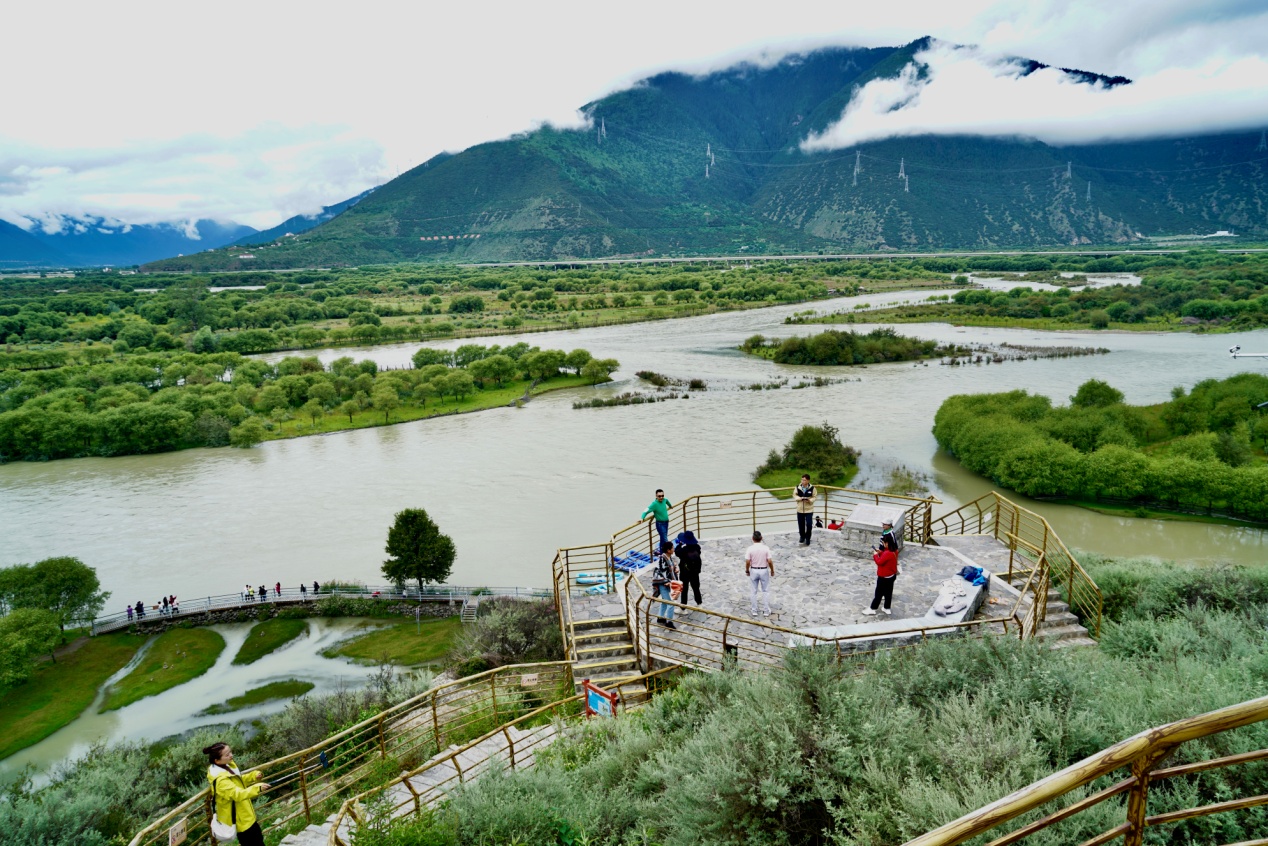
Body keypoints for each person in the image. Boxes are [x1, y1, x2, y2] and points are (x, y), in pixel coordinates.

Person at [205, 741, 270, 846]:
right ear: (217, 760)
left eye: (230, 752)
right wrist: (257, 788)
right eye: (227, 754)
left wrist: (253, 776)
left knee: (258, 840)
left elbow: (237, 781)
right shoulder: (220, 780)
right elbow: (237, 794)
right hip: (241, 820)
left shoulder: (226, 766)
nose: (231, 755)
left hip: (246, 814)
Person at [863, 539, 899, 616]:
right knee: (888, 593)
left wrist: (875, 554)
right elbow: (887, 558)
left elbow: (879, 562)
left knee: (878, 594)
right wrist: (881, 552)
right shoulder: (894, 551)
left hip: (883, 577)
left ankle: (872, 608)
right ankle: (887, 608)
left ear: (887, 543)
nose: (883, 544)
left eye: (884, 543)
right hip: (892, 575)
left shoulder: (887, 553)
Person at [650, 540, 679, 629]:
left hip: (667, 582)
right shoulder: (663, 559)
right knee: (670, 603)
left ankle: (660, 617)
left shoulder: (668, 557)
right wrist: (666, 581)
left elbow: (670, 567)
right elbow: (662, 572)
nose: (674, 549)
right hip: (664, 584)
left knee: (664, 601)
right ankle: (669, 621)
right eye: (672, 548)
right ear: (668, 550)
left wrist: (675, 568)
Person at [745, 530, 774, 617]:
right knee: (765, 591)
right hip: (764, 570)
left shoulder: (750, 549)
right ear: (761, 538)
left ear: (752, 539)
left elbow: (747, 561)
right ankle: (766, 610)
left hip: (754, 570)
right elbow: (769, 561)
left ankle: (754, 610)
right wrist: (772, 570)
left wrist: (747, 570)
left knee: (753, 591)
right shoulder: (766, 548)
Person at [674, 530, 703, 606]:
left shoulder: (683, 550)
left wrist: (679, 544)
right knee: (696, 588)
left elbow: (677, 552)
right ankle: (699, 603)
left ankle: (683, 607)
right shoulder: (697, 548)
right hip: (695, 572)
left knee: (684, 589)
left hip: (685, 572)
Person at [794, 475, 817, 545]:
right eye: (802, 480)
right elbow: (795, 495)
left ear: (808, 480)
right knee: (801, 524)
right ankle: (802, 536)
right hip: (800, 509)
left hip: (809, 509)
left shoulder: (812, 488)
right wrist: (799, 498)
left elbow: (814, 497)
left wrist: (810, 500)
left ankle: (808, 538)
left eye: (804, 480)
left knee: (809, 524)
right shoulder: (797, 487)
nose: (803, 481)